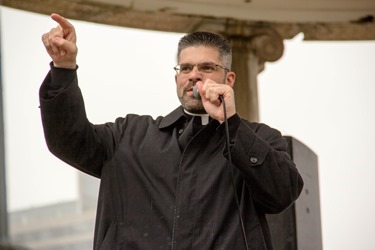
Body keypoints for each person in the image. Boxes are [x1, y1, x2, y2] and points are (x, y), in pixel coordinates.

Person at [40, 13, 303, 250]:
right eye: (185, 68)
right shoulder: (128, 135)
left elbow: (282, 195)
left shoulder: (261, 139)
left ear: (229, 79)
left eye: (207, 68)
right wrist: (64, 69)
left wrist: (231, 124)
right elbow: (67, 139)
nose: (194, 76)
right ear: (177, 77)